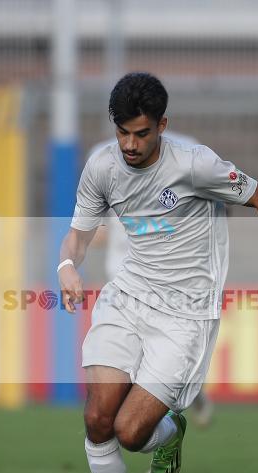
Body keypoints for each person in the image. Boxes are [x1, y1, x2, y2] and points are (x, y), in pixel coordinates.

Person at [57, 72, 258, 473]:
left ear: (162, 125)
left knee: (131, 432)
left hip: (184, 315)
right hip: (128, 295)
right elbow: (78, 232)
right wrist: (67, 266)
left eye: (141, 133)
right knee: (98, 417)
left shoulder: (196, 165)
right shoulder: (101, 168)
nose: (131, 145)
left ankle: (170, 432)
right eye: (123, 133)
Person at [90, 130, 216, 429]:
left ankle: (175, 406)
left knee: (149, 369)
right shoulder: (103, 155)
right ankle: (181, 401)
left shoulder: (188, 151)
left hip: (171, 282)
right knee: (126, 370)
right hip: (122, 279)